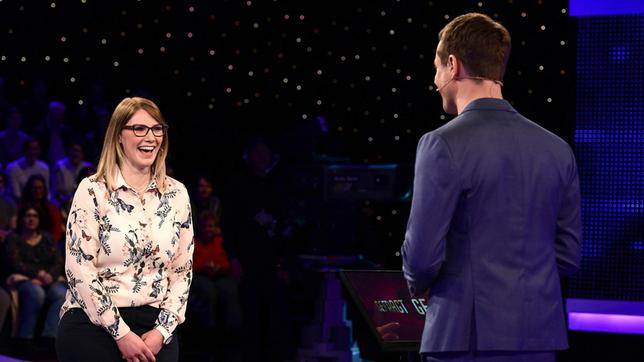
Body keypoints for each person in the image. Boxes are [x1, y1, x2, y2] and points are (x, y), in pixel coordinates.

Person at [401, 13, 582, 362]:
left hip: (464, 338)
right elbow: (568, 255)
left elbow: (422, 257)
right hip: (538, 338)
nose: (435, 79)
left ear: (453, 65)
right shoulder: (557, 149)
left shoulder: (441, 144)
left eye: (437, 67)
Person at [56, 97, 194, 362]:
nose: (151, 137)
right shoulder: (93, 190)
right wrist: (121, 334)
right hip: (93, 322)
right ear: (119, 135)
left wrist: (162, 331)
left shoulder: (177, 194)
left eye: (157, 129)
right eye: (140, 129)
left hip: (154, 327)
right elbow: (79, 270)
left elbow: (181, 272)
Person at [3, 206, 67, 341]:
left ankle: (49, 337)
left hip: (48, 279)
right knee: (36, 293)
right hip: (23, 279)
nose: (31, 219)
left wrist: (49, 276)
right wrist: (39, 274)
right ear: (22, 219)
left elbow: (57, 262)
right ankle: (24, 337)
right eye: (28, 216)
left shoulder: (47, 238)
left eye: (35, 216)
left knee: (61, 293)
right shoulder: (14, 238)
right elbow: (16, 263)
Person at [189, 210, 242, 362]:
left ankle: (232, 331)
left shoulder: (220, 241)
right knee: (207, 291)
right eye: (205, 226)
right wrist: (204, 267)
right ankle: (209, 332)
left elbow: (227, 262)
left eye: (211, 226)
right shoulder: (195, 242)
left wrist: (218, 267)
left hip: (220, 275)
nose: (208, 229)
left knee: (228, 290)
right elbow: (191, 264)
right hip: (200, 276)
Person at [19, 174, 64, 243]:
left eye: (40, 188)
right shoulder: (22, 208)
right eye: (34, 188)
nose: (37, 191)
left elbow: (57, 230)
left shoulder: (52, 208)